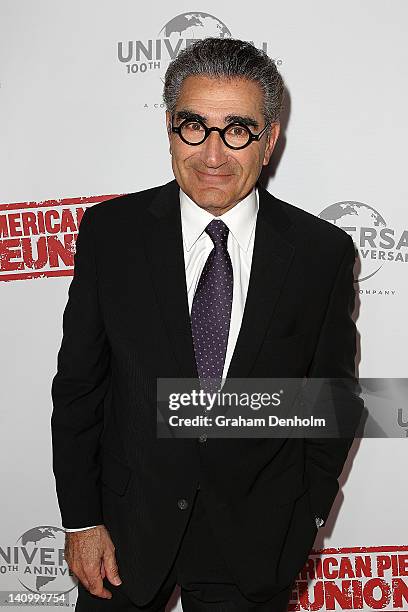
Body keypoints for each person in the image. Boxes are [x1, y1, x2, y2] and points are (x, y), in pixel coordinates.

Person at [51, 37, 362, 611]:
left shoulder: (321, 253)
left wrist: (305, 518)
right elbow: (78, 390)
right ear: (170, 129)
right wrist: (81, 521)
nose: (212, 154)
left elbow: (333, 400)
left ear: (269, 141)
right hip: (123, 534)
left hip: (254, 544)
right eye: (194, 126)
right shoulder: (111, 234)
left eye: (237, 129)